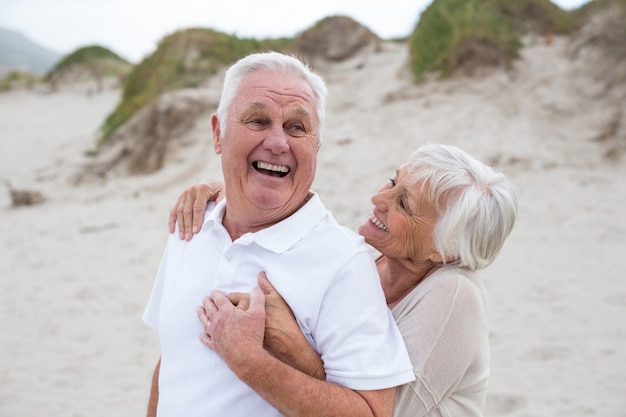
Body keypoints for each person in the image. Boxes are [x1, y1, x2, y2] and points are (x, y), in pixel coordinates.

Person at [142, 51, 415, 417]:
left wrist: (251, 363)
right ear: (217, 134)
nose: (278, 142)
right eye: (257, 120)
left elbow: (372, 412)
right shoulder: (190, 223)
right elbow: (173, 360)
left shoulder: (344, 262)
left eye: (297, 127)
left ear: (316, 147)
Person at [170, 143, 518, 417]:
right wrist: (228, 194)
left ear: (444, 250)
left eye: (404, 205)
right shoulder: (368, 259)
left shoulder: (454, 295)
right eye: (393, 181)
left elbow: (379, 412)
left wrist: (295, 352)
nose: (378, 199)